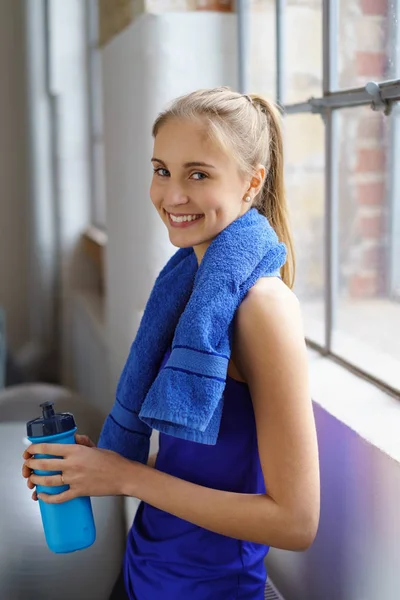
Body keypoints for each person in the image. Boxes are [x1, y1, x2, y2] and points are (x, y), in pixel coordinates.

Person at [22, 87, 320, 600]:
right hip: (145, 571)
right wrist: (98, 470)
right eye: (162, 170)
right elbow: (202, 463)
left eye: (198, 174)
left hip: (211, 590)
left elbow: (296, 522)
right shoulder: (190, 290)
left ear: (253, 182)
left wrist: (127, 479)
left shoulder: (263, 308)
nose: (172, 195)